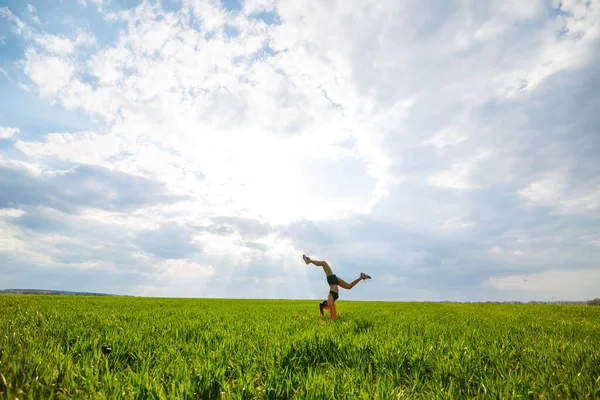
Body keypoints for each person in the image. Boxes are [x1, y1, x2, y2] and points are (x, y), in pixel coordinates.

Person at [303, 254, 371, 320]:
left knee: (324, 263)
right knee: (349, 286)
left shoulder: (329, 299)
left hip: (332, 281)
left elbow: (332, 312)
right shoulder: (331, 300)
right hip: (335, 281)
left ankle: (309, 260)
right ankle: (361, 277)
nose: (328, 308)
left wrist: (330, 322)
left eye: (326, 308)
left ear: (326, 305)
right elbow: (333, 312)